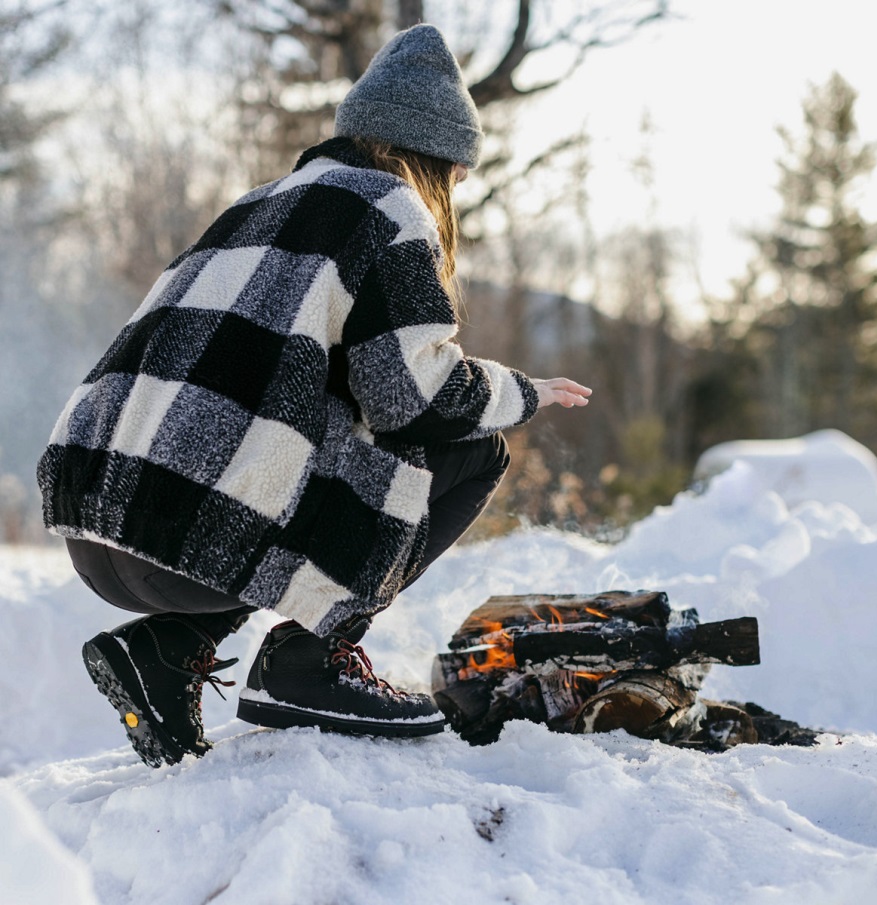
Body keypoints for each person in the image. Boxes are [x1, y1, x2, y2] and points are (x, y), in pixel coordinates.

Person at [37, 24, 591, 767]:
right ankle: (309, 658)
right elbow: (413, 397)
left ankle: (167, 650)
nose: (457, 189)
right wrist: (523, 391)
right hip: (188, 542)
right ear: (437, 158)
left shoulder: (257, 203)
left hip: (99, 524)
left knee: (294, 442)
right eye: (458, 173)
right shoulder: (390, 207)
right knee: (475, 447)